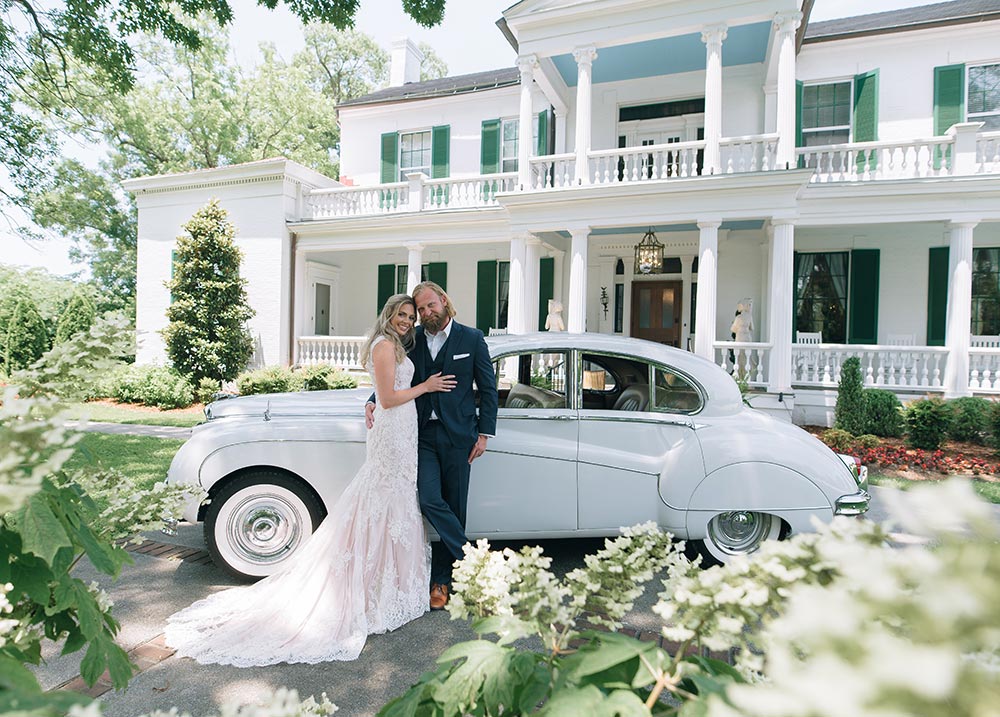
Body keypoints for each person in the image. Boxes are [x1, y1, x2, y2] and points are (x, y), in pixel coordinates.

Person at [163, 294, 456, 666]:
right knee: (382, 497)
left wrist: (404, 393)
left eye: (410, 316)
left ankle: (392, 584)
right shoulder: (385, 344)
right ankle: (375, 585)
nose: (406, 320)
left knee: (395, 500)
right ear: (388, 315)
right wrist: (425, 387)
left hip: (403, 432)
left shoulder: (398, 345)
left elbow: (383, 393)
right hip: (392, 429)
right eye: (401, 314)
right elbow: (386, 397)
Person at [366, 281, 498, 611]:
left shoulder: (472, 338)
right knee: (428, 499)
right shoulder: (412, 340)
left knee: (454, 508)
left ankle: (442, 581)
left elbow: (488, 388)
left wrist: (484, 434)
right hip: (422, 434)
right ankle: (475, 561)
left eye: (429, 306)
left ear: (443, 301)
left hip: (459, 437)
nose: (425, 313)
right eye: (420, 310)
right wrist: (372, 400)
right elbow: (395, 375)